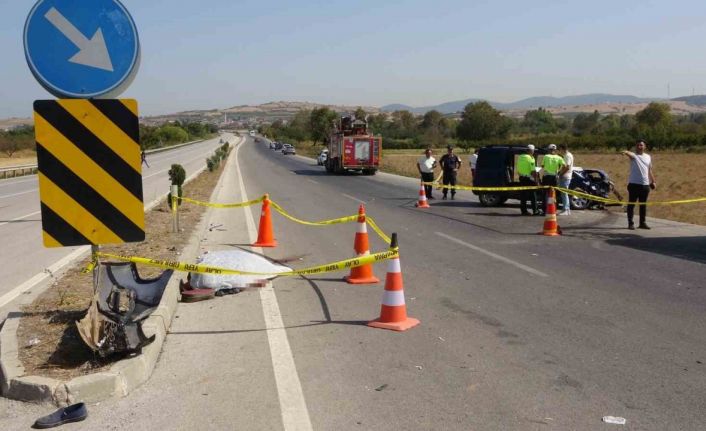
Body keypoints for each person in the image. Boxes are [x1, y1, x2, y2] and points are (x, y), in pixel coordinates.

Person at [622, 140, 656, 230]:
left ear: (645, 147)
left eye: (641, 145)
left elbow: (649, 170)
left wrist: (653, 181)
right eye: (638, 145)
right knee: (631, 204)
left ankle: (642, 223)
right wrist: (625, 152)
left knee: (643, 205)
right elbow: (628, 153)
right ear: (636, 147)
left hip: (645, 185)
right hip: (634, 185)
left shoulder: (648, 157)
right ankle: (630, 223)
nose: (639, 146)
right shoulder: (634, 156)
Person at [540, 144, 565, 214]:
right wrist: (559, 172)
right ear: (555, 150)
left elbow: (542, 166)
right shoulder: (559, 157)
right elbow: (564, 166)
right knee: (554, 193)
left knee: (545, 193)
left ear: (549, 150)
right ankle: (553, 209)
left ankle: (545, 210)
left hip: (546, 176)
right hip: (554, 177)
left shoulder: (546, 156)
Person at [517, 144, 540, 215]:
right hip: (529, 178)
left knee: (523, 195)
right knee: (533, 195)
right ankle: (535, 211)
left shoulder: (520, 157)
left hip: (521, 178)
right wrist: (536, 181)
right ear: (532, 151)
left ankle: (523, 211)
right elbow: (533, 171)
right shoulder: (531, 158)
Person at [557, 144, 574, 215]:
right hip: (565, 176)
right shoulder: (566, 155)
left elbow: (567, 167)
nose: (559, 151)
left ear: (563, 148)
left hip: (565, 177)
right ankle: (566, 209)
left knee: (564, 193)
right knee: (563, 193)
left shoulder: (567, 156)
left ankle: (566, 210)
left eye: (560, 149)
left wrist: (560, 174)